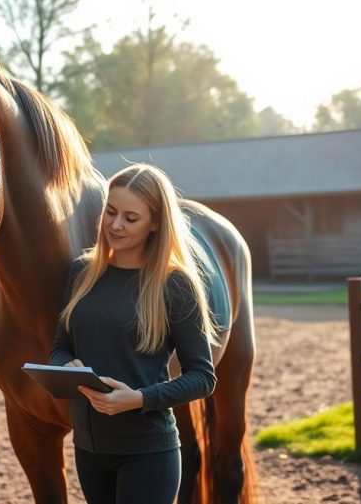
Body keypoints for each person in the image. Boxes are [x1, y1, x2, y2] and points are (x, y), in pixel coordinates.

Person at [50, 163, 217, 504]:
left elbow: (203, 377)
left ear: (155, 223)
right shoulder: (81, 273)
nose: (115, 225)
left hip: (148, 453)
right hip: (88, 448)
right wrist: (65, 367)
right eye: (110, 212)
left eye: (130, 217)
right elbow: (61, 347)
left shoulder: (175, 284)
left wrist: (139, 399)